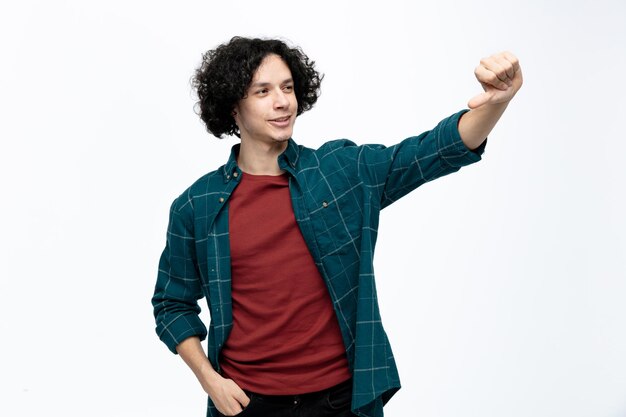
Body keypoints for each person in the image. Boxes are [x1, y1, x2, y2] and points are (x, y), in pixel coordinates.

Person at [152, 36, 523, 417]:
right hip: (247, 404)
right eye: (262, 91)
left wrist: (499, 101)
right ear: (233, 107)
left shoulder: (339, 172)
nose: (282, 102)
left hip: (340, 402)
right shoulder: (197, 204)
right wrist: (209, 379)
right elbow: (172, 304)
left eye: (287, 88)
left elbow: (433, 151)